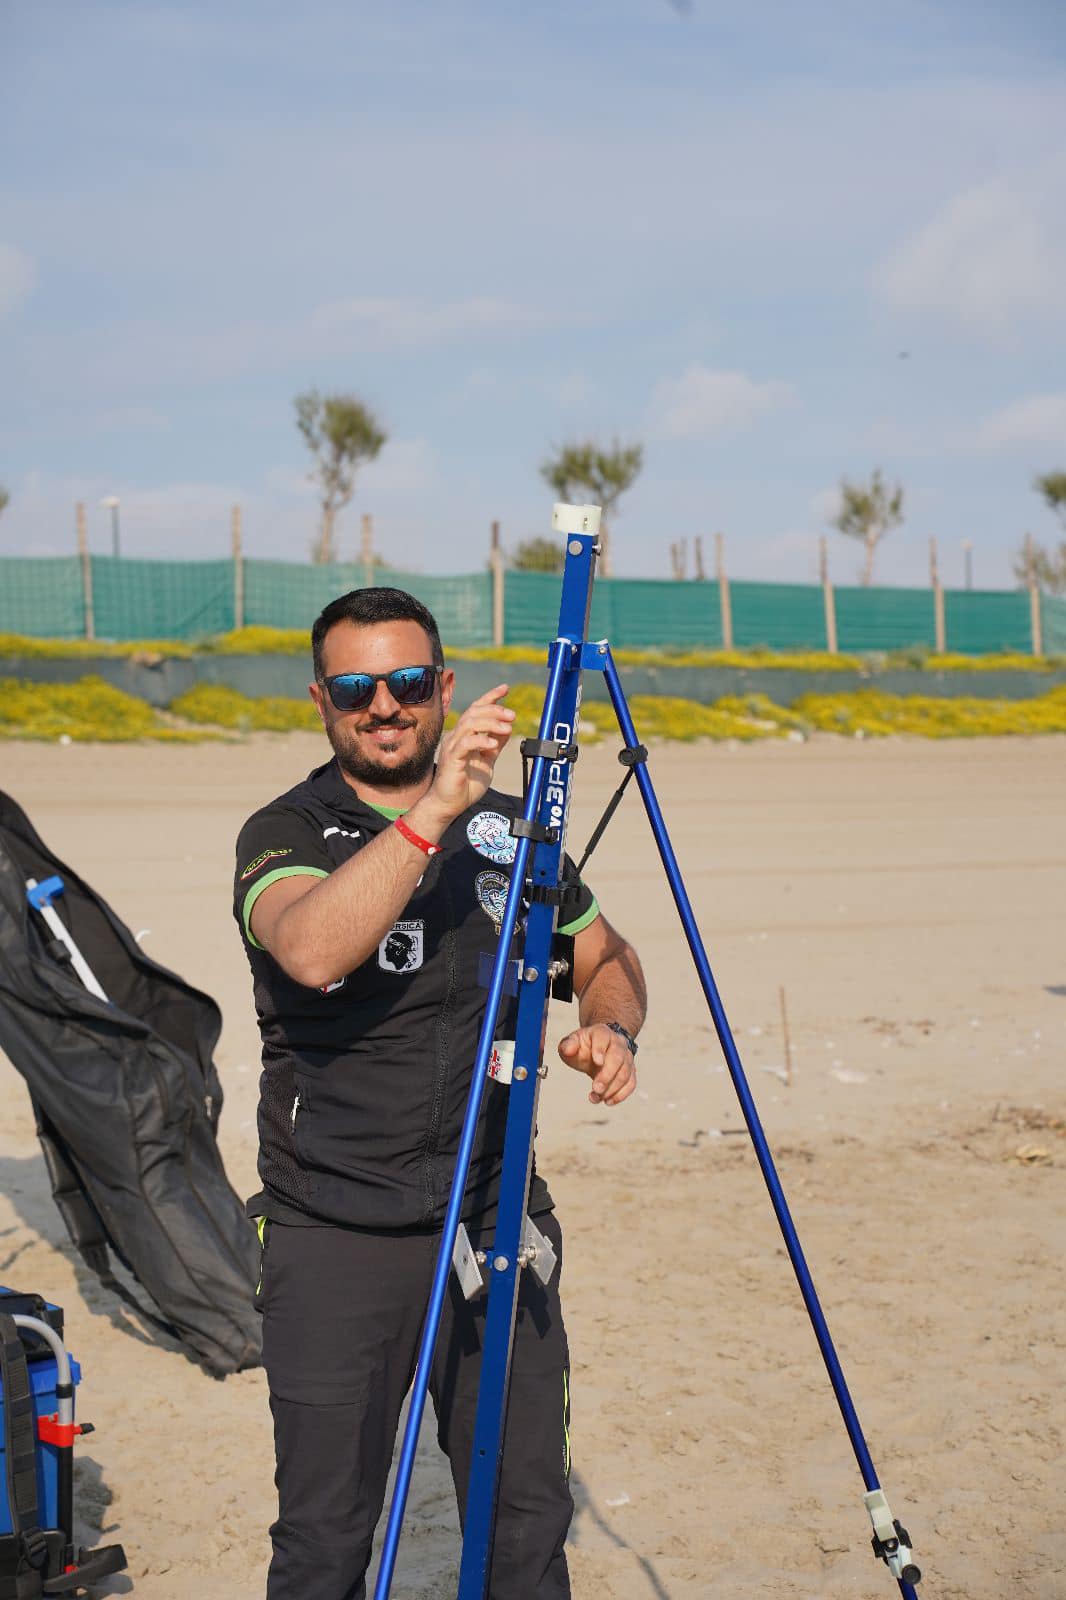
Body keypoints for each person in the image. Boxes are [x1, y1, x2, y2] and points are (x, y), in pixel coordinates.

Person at [233, 587, 646, 1600]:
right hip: (334, 1232)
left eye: (408, 683)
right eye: (357, 687)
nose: (385, 705)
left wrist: (608, 1022)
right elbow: (312, 949)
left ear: (443, 688)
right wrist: (432, 815)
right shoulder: (284, 830)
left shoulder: (513, 832)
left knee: (523, 1528)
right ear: (321, 700)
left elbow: (606, 951)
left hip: (495, 1223)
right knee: (327, 1538)